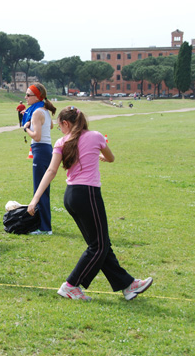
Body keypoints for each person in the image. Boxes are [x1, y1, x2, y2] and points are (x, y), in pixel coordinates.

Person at [27, 106, 153, 301]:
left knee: (100, 244)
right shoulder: (95, 136)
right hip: (88, 194)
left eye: (60, 126)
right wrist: (101, 156)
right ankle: (71, 285)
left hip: (71, 196)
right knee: (99, 246)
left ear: (66, 124)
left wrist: (35, 198)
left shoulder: (62, 142)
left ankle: (128, 285)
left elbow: (51, 171)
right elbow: (111, 158)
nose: (59, 130)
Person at [22, 83, 56, 235]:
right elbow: (51, 127)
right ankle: (43, 224)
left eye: (28, 95)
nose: (26, 97)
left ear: (37, 97)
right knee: (43, 188)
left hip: (41, 149)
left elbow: (37, 136)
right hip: (46, 149)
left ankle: (44, 228)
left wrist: (26, 128)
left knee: (40, 189)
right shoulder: (44, 110)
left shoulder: (36, 113)